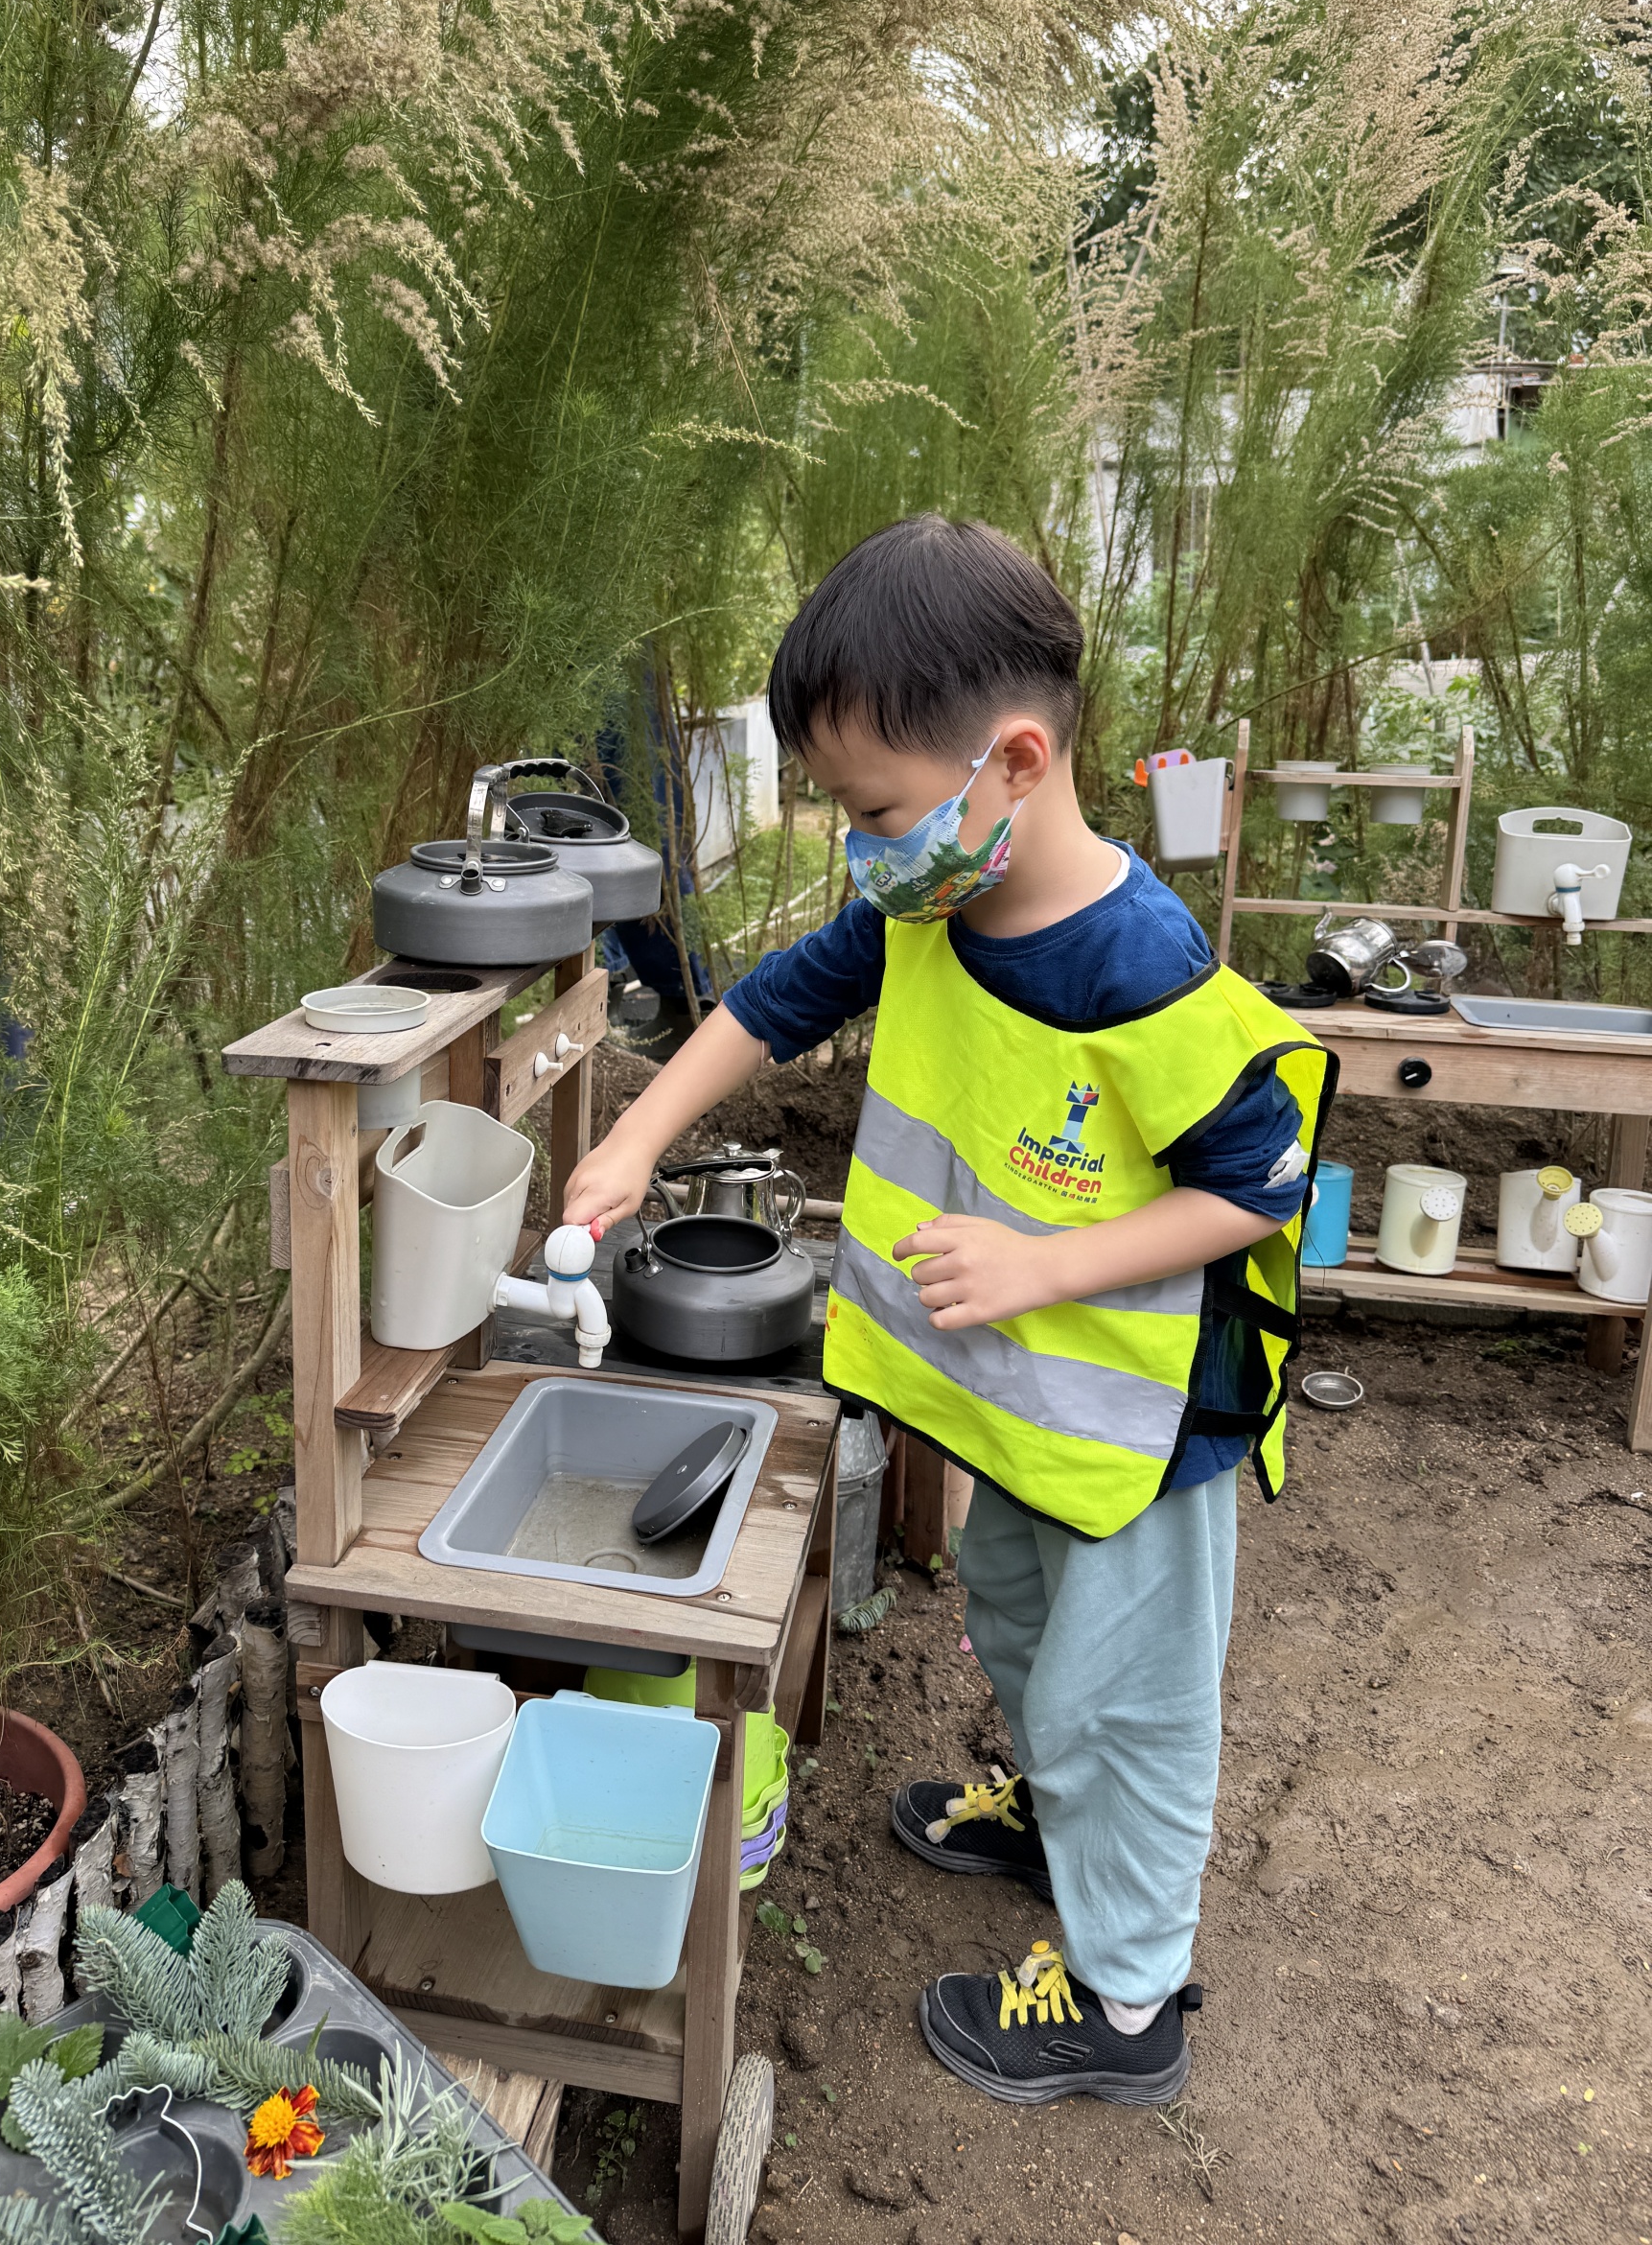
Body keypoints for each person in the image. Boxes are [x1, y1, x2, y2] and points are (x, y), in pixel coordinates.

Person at [562, 515, 1335, 2108]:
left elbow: (1261, 1183)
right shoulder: (931, 908)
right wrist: (634, 1140)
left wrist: (1043, 1264)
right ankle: (1056, 1817)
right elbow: (769, 1006)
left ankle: (1128, 2004)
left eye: (875, 812)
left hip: (1144, 1428)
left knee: (1131, 1702)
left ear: (1017, 761)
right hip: (1024, 1410)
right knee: (1024, 1622)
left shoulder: (1139, 962)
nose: (864, 850)